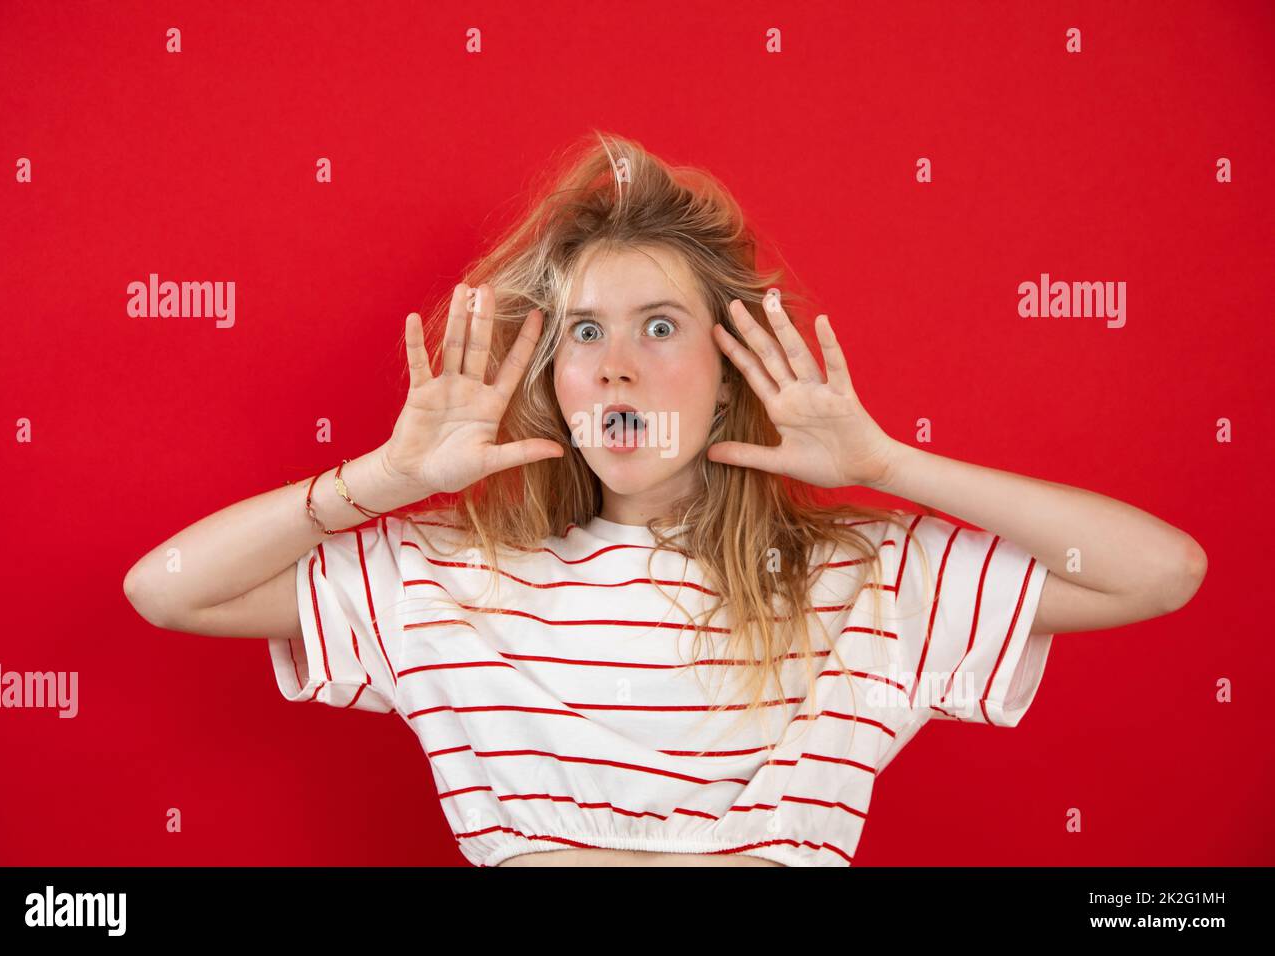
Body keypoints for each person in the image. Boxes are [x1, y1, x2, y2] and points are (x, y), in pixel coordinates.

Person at [123, 131, 1207, 867]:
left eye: (659, 325)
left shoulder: (864, 571)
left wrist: (884, 467)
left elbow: (1160, 571)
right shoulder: (450, 572)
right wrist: (378, 483)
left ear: (727, 368)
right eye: (584, 333)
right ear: (553, 374)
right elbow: (167, 592)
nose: (618, 367)